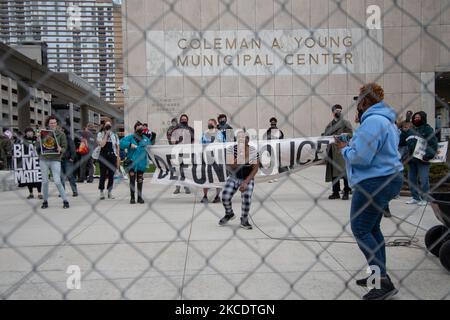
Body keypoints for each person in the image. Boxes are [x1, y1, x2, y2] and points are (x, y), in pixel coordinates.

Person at [336, 83, 403, 300]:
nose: (356, 103)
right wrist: (353, 143)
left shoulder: (373, 122)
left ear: (365, 100)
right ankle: (377, 275)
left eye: (358, 99)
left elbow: (361, 158)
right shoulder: (385, 120)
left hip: (374, 181)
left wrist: (344, 149)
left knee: (361, 228)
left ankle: (382, 281)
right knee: (372, 228)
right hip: (386, 178)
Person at [219, 129, 260, 230]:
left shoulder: (253, 150)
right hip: (234, 176)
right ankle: (229, 213)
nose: (241, 140)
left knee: (246, 199)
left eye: (244, 138)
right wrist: (243, 155)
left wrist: (246, 182)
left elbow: (255, 168)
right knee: (225, 196)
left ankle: (244, 219)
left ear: (248, 139)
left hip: (247, 177)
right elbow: (232, 165)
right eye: (239, 138)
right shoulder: (231, 149)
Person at [403, 111, 438, 206]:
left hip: (423, 159)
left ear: (423, 118)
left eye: (418, 117)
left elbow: (433, 144)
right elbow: (403, 141)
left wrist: (427, 156)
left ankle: (425, 199)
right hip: (412, 160)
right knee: (411, 180)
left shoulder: (428, 129)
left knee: (424, 180)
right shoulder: (411, 129)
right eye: (415, 117)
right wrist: (403, 130)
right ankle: (415, 198)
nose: (416, 119)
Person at [37, 116, 69, 209]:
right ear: (48, 124)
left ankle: (65, 200)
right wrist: (38, 140)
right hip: (44, 159)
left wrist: (60, 149)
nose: (53, 124)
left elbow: (64, 147)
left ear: (57, 124)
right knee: (45, 181)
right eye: (51, 123)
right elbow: (38, 148)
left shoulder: (61, 134)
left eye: (54, 123)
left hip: (55, 159)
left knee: (57, 181)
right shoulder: (43, 133)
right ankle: (45, 201)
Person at [322, 104, 353, 200]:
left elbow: (351, 134)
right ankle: (335, 192)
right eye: (336, 110)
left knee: (344, 172)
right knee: (333, 173)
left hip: (341, 150)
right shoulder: (329, 125)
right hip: (332, 150)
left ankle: (346, 191)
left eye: (340, 110)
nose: (338, 112)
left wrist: (343, 136)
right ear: (333, 112)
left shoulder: (345, 123)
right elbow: (325, 135)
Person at [120, 121, 152, 204]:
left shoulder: (146, 139)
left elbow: (150, 148)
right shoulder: (130, 137)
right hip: (132, 162)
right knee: (132, 180)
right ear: (135, 129)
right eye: (138, 128)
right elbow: (121, 143)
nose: (140, 130)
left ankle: (140, 197)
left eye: (141, 128)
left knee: (140, 180)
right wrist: (130, 145)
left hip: (141, 163)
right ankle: (132, 197)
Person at [200, 119, 225, 204]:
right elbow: (201, 144)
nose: (209, 125)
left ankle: (217, 196)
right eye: (208, 123)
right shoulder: (205, 133)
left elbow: (223, 144)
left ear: (215, 124)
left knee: (218, 177)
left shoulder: (219, 133)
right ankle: (205, 196)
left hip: (217, 158)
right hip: (207, 157)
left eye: (211, 123)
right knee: (206, 176)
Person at [170, 114, 194, 194]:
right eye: (182, 119)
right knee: (177, 169)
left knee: (185, 169)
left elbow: (193, 141)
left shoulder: (190, 129)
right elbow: (172, 141)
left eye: (185, 119)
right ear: (180, 120)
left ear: (187, 120)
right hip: (177, 151)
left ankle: (186, 186)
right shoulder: (175, 129)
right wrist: (177, 141)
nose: (184, 120)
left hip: (186, 151)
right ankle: (178, 187)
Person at [97, 120, 121, 200]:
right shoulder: (100, 134)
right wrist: (106, 134)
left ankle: (109, 191)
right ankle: (101, 191)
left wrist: (118, 158)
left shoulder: (115, 135)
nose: (108, 127)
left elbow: (117, 147)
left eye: (109, 125)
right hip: (103, 156)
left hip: (112, 156)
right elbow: (102, 144)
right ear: (103, 126)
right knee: (103, 175)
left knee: (111, 175)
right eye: (107, 125)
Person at [21, 128, 42, 199]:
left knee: (38, 178)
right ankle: (31, 193)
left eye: (31, 132)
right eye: (28, 132)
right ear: (26, 133)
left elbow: (41, 149)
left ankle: (39, 193)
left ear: (33, 133)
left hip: (36, 161)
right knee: (29, 178)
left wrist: (39, 141)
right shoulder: (22, 140)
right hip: (27, 161)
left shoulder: (37, 139)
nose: (29, 133)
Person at [61, 125, 78, 197]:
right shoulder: (57, 137)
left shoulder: (68, 138)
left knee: (70, 176)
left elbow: (73, 148)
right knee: (60, 177)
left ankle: (74, 190)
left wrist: (72, 157)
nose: (60, 130)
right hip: (59, 159)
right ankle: (62, 191)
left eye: (61, 129)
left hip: (67, 159)